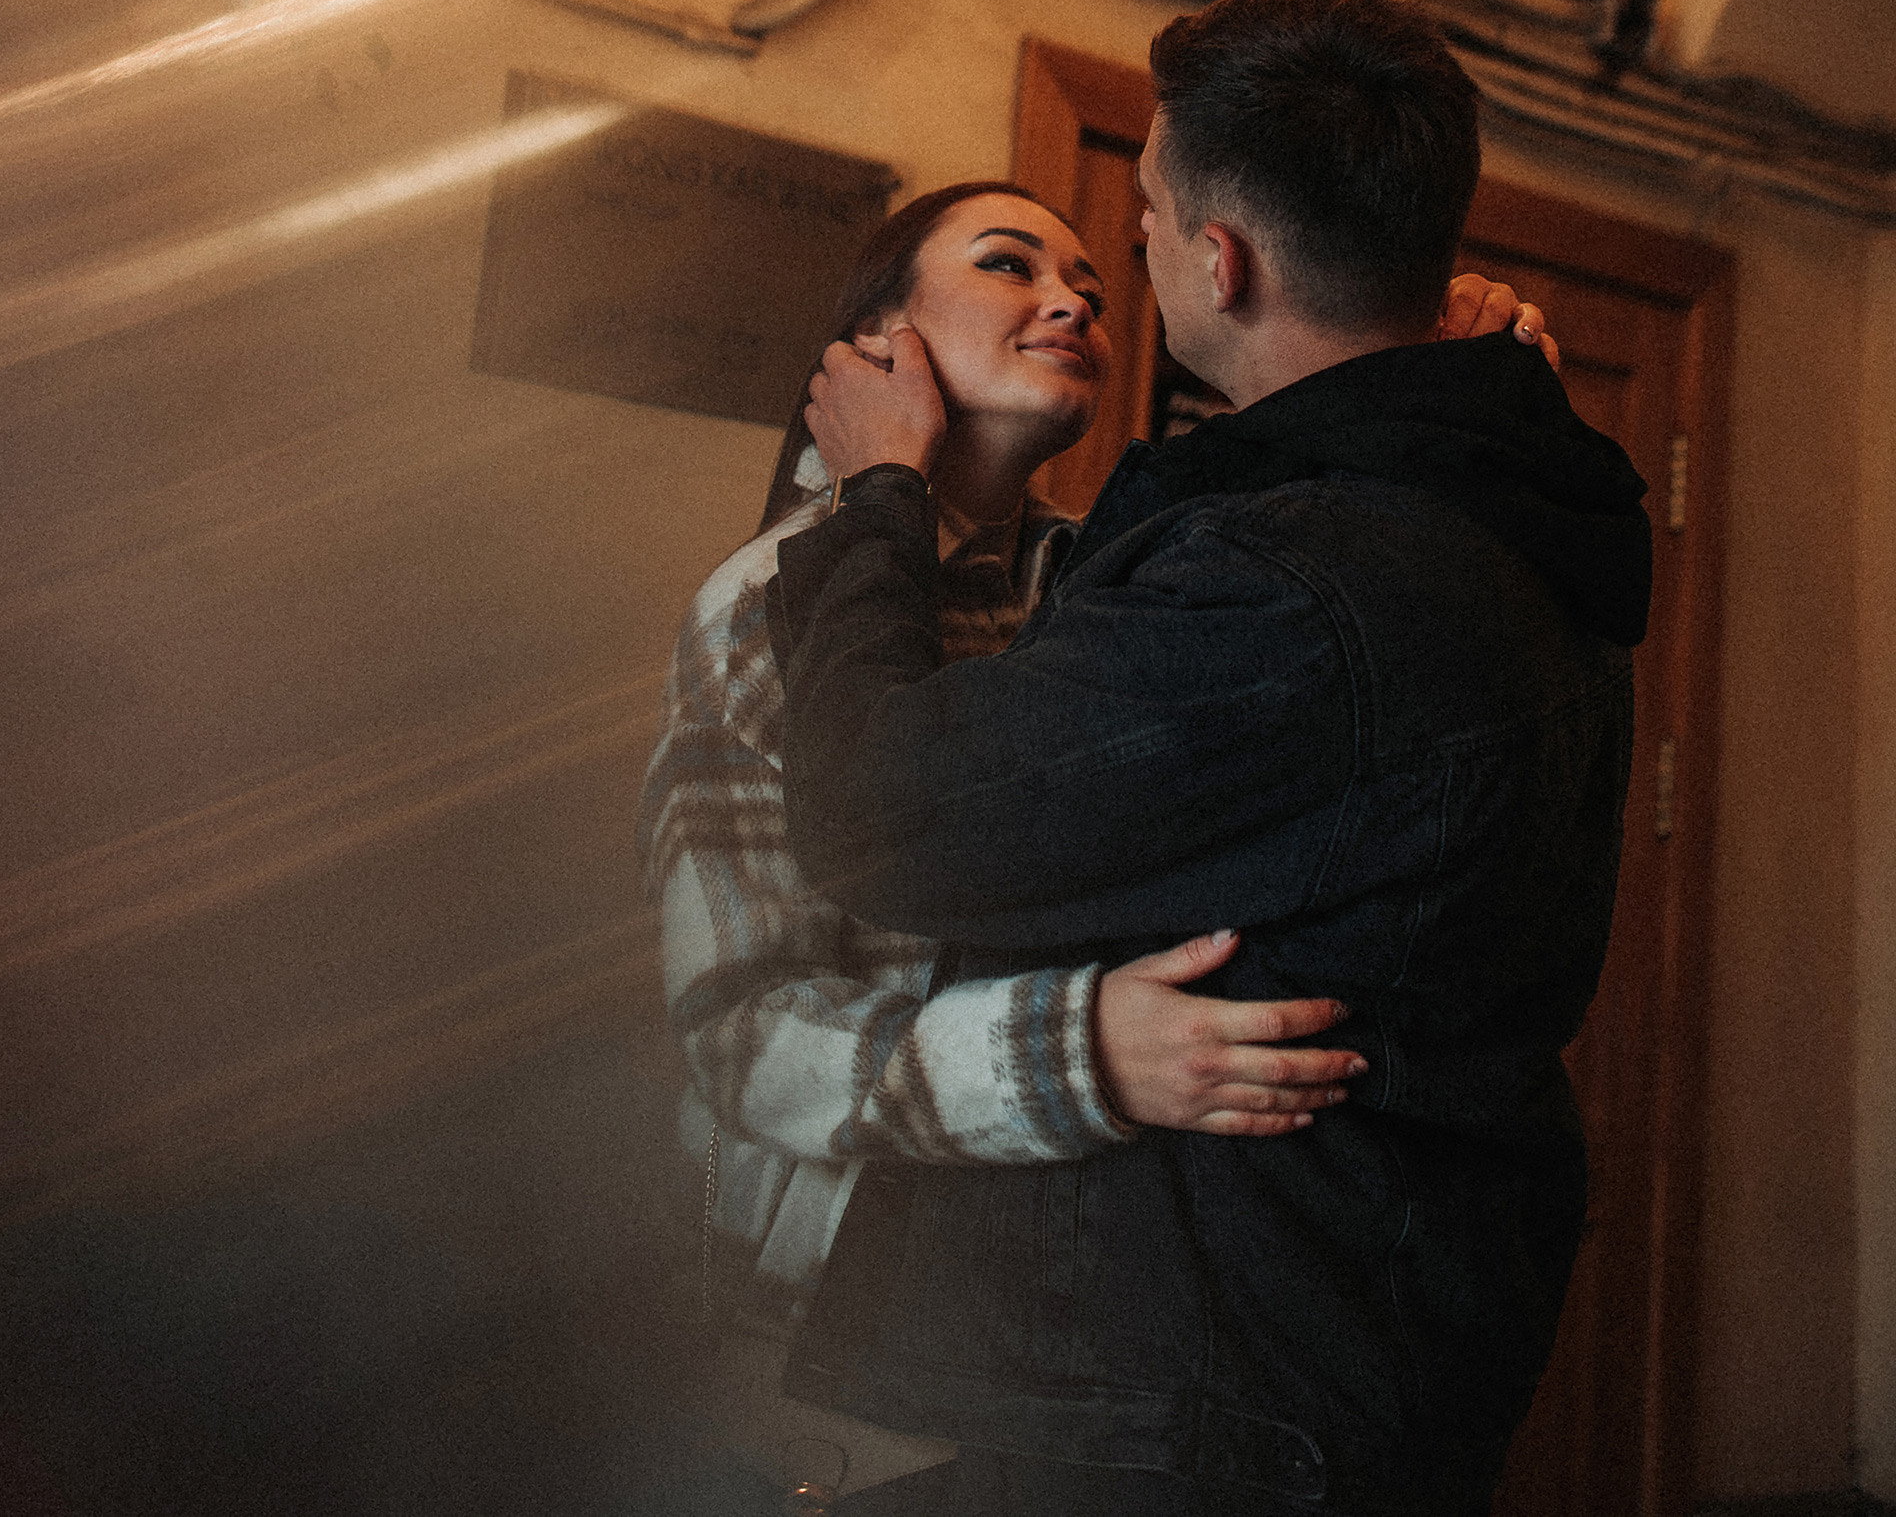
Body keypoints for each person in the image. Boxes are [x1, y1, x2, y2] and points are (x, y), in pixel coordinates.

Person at [769, 0, 1649, 1517]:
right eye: (1008, 261)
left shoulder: (1293, 579)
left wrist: (873, 502)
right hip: (1346, 1337)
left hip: (1212, 1393)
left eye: (1145, 223)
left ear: (1221, 261)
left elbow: (880, 810)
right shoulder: (1495, 502)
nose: (1104, 279)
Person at [640, 168, 1556, 1500]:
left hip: (1078, 1323)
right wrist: (1085, 1052)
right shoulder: (768, 604)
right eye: (1011, 264)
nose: (1071, 295)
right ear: (880, 342)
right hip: (841, 1323)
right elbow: (746, 1031)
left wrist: (1429, 384)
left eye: (1087, 277)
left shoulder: (1114, 578)